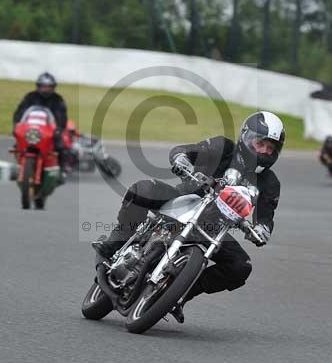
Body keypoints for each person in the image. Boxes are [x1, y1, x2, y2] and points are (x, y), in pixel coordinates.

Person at [92, 111, 284, 323]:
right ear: (247, 137)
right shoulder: (223, 148)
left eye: (271, 148)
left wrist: (262, 230)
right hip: (183, 198)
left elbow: (266, 218)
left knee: (240, 266)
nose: (265, 151)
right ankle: (114, 243)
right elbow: (186, 151)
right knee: (142, 189)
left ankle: (181, 295)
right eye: (261, 144)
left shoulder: (269, 183)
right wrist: (181, 160)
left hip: (212, 229)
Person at [12, 72, 68, 183]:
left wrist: (59, 129)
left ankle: (61, 172)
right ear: (38, 86)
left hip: (48, 130)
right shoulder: (30, 97)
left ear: (53, 88)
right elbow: (19, 112)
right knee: (17, 146)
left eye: (48, 87)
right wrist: (16, 126)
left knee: (61, 147)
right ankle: (19, 167)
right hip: (31, 129)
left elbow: (62, 116)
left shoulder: (58, 99)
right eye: (43, 87)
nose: (45, 90)